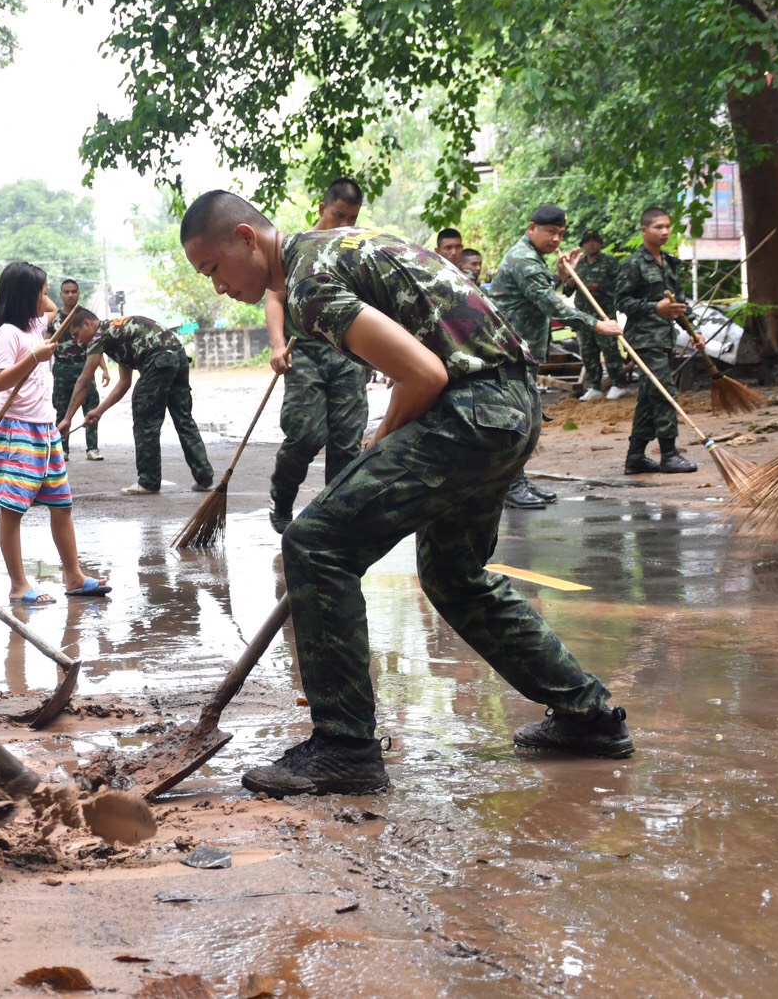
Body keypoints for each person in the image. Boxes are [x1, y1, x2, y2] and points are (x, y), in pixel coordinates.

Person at [179, 190, 633, 798]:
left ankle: (345, 746)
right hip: (511, 409)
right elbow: (425, 363)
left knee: (315, 544)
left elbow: (424, 374)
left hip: (472, 411)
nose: (217, 287)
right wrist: (389, 437)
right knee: (454, 573)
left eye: (212, 269)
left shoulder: (310, 280)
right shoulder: (332, 251)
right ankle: (589, 717)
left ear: (244, 238)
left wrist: (384, 438)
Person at [0, 262, 112, 604]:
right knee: (13, 508)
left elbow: (56, 310)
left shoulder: (37, 325)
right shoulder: (9, 334)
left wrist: (43, 305)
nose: (48, 299)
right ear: (25, 297)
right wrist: (34, 357)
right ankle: (18, 585)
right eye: (42, 292)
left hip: (45, 429)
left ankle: (74, 575)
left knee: (62, 504)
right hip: (16, 430)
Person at [488, 204, 621, 509]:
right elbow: (552, 305)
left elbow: (537, 296)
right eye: (551, 232)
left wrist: (560, 276)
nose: (557, 239)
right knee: (516, 422)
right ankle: (508, 486)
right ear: (532, 228)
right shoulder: (524, 260)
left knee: (526, 419)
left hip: (522, 353)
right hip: (509, 354)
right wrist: (598, 324)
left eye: (560, 233)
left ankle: (517, 480)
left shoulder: (533, 259)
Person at [264, 178, 371, 534]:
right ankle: (282, 497)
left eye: (351, 218)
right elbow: (275, 298)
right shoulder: (295, 248)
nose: (344, 225)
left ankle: (335, 518)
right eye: (338, 215)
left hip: (348, 352)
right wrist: (278, 345)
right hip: (304, 352)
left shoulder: (356, 250)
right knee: (305, 434)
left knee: (346, 442)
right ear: (321, 208)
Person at [59, 311, 213, 495]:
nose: (77, 341)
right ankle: (204, 479)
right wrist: (99, 410)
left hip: (157, 359)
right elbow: (124, 382)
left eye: (77, 335)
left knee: (145, 422)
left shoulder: (99, 335)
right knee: (183, 418)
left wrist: (67, 418)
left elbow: (84, 380)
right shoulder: (117, 332)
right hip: (177, 355)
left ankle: (148, 482)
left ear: (87, 324)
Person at [613, 207, 706, 475]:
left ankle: (635, 457)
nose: (664, 231)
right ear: (644, 230)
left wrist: (693, 331)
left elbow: (679, 305)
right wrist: (655, 307)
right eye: (658, 227)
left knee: (649, 396)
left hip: (665, 338)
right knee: (665, 392)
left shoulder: (671, 263)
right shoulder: (633, 264)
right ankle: (669, 453)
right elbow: (622, 302)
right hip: (643, 341)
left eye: (667, 226)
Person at [559, 229, 628, 401]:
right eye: (588, 241)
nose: (591, 244)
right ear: (582, 245)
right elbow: (567, 291)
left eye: (595, 240)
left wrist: (600, 287)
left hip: (603, 313)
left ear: (600, 243)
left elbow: (620, 286)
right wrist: (569, 283)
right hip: (583, 315)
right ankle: (594, 385)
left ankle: (618, 384)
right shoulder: (579, 264)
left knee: (609, 348)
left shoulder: (610, 262)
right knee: (587, 351)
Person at [49, 278, 107, 460]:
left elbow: (96, 344)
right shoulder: (55, 319)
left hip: (85, 365)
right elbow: (46, 343)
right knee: (63, 409)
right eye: (66, 292)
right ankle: (62, 449)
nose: (70, 295)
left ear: (78, 293)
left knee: (90, 406)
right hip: (62, 368)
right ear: (61, 294)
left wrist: (104, 369)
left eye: (74, 291)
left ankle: (92, 448)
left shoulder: (85, 317)